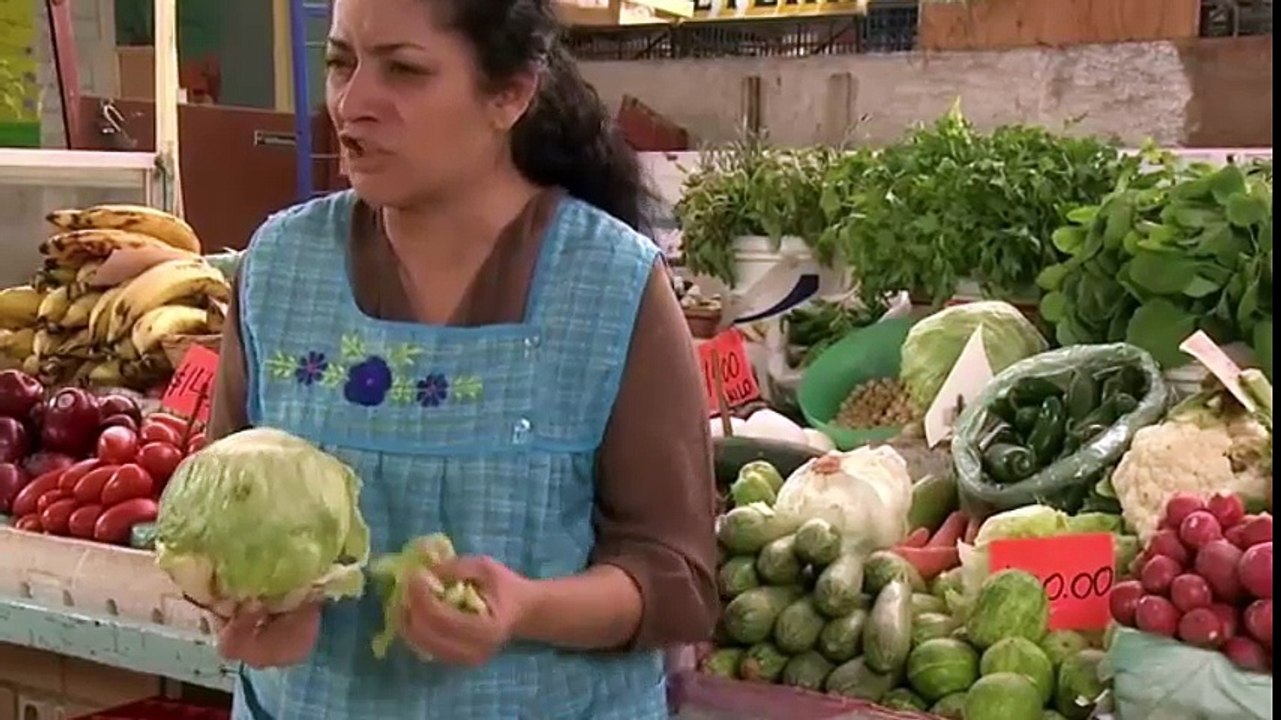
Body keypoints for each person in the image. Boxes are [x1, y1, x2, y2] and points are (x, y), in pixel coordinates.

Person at [204, 0, 719, 717]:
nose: (353, 104)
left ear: (509, 94)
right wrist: (257, 602)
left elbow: (676, 578)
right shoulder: (279, 267)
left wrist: (528, 608)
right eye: (340, 62)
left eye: (405, 71)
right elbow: (219, 509)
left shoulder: (610, 285)